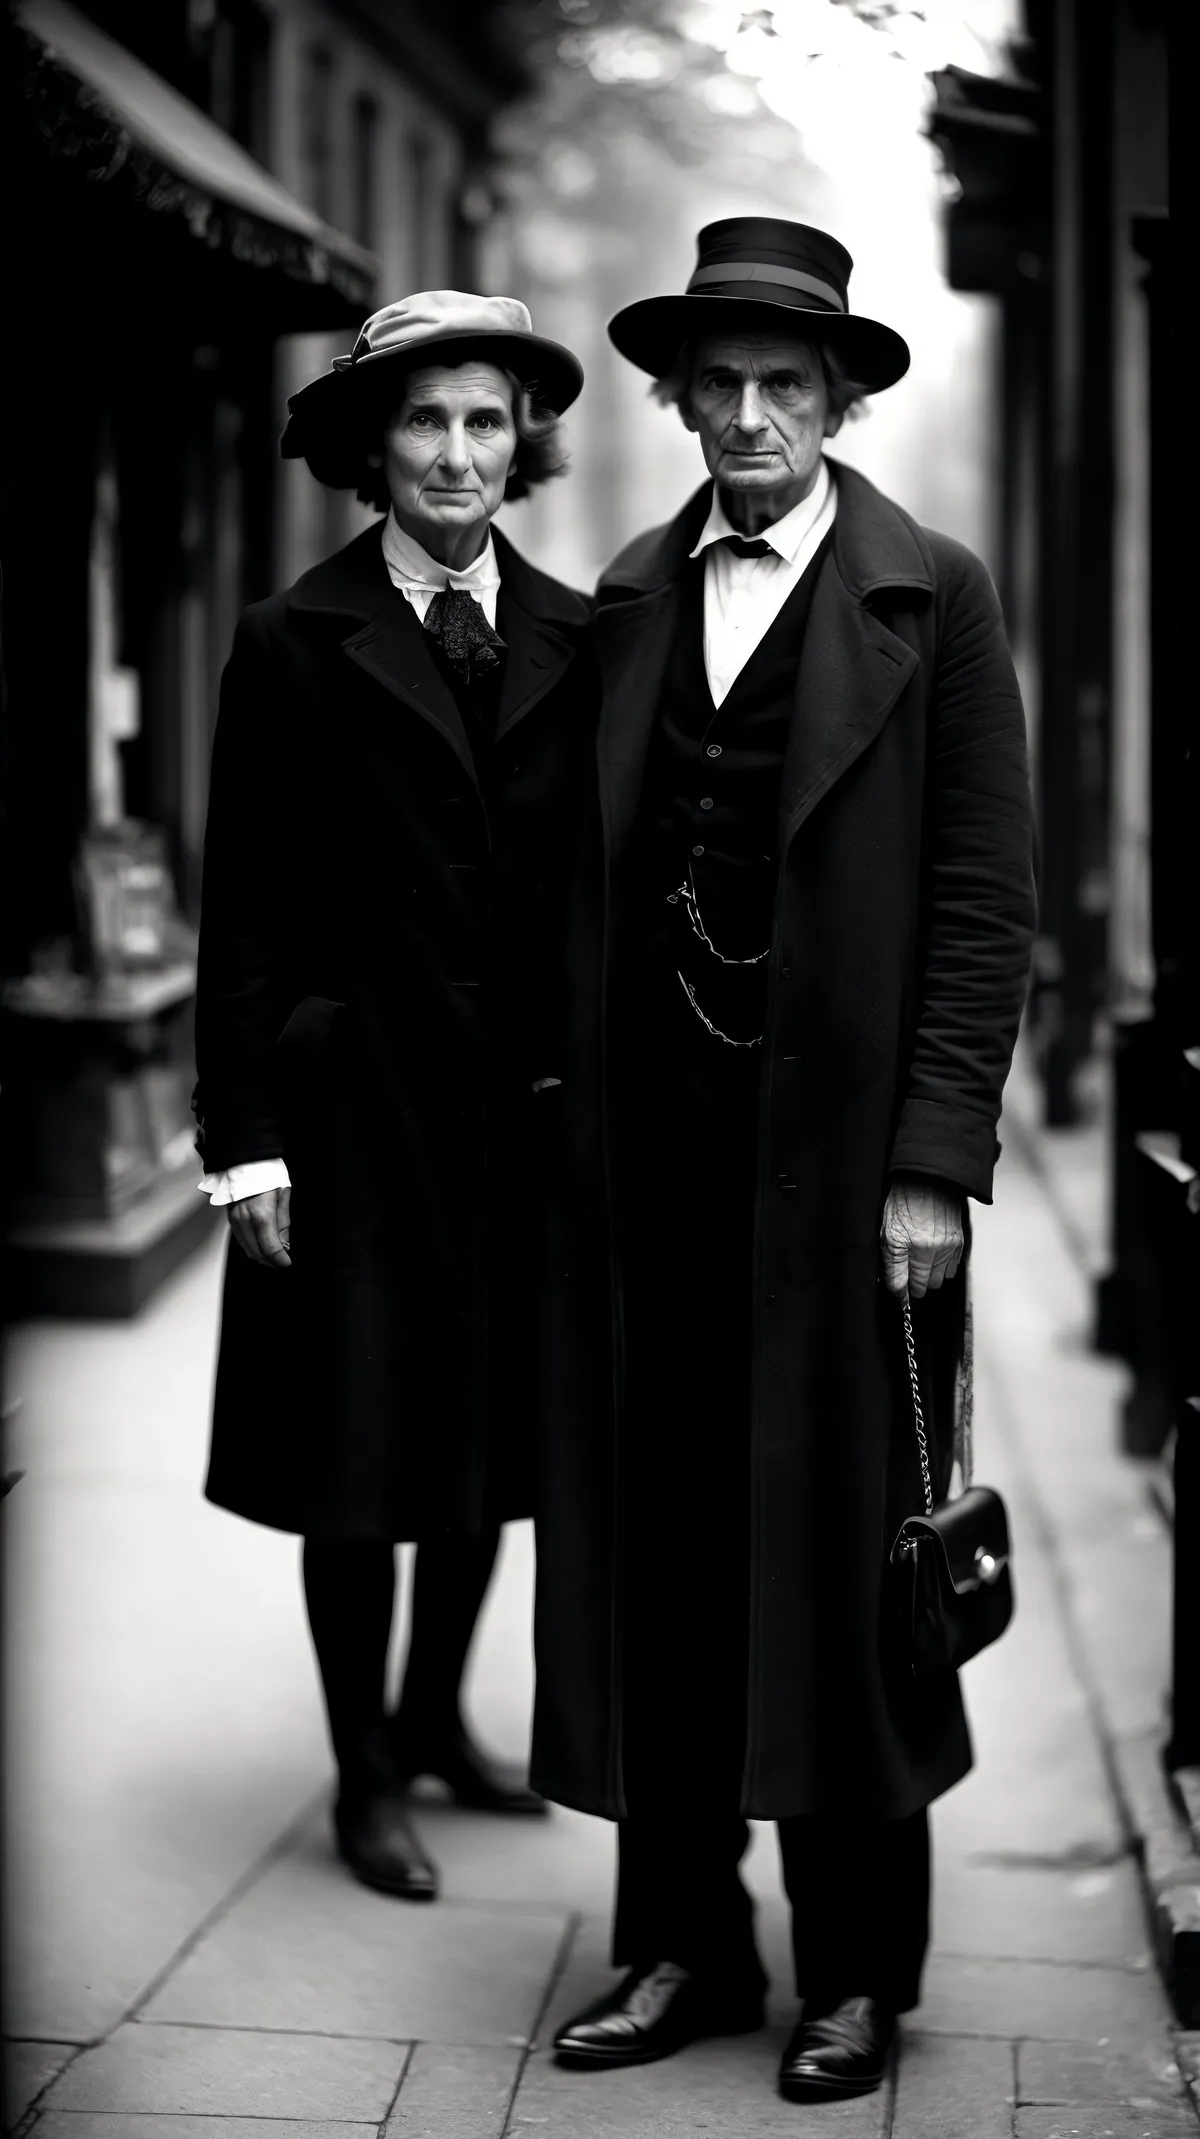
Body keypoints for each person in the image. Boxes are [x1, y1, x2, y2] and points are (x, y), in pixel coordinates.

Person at [533, 219, 1037, 2103]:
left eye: (787, 389)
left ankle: (856, 1972)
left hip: (846, 1189)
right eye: (720, 389)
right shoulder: (631, 592)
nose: (749, 417)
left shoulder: (936, 595)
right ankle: (680, 1942)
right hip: (651, 1168)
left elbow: (987, 899)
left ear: (836, 405)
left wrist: (935, 1159)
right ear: (678, 404)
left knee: (845, 1577)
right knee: (665, 1561)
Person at [194, 291, 593, 1903]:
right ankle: (365, 1769)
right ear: (376, 448)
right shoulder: (293, 639)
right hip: (351, 1117)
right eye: (424, 421)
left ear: (523, 445)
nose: (456, 452)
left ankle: (437, 1718)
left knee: (490, 1448)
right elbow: (244, 913)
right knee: (358, 1457)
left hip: (524, 1128)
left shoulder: (583, 632)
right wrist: (246, 1145)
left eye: (485, 420)